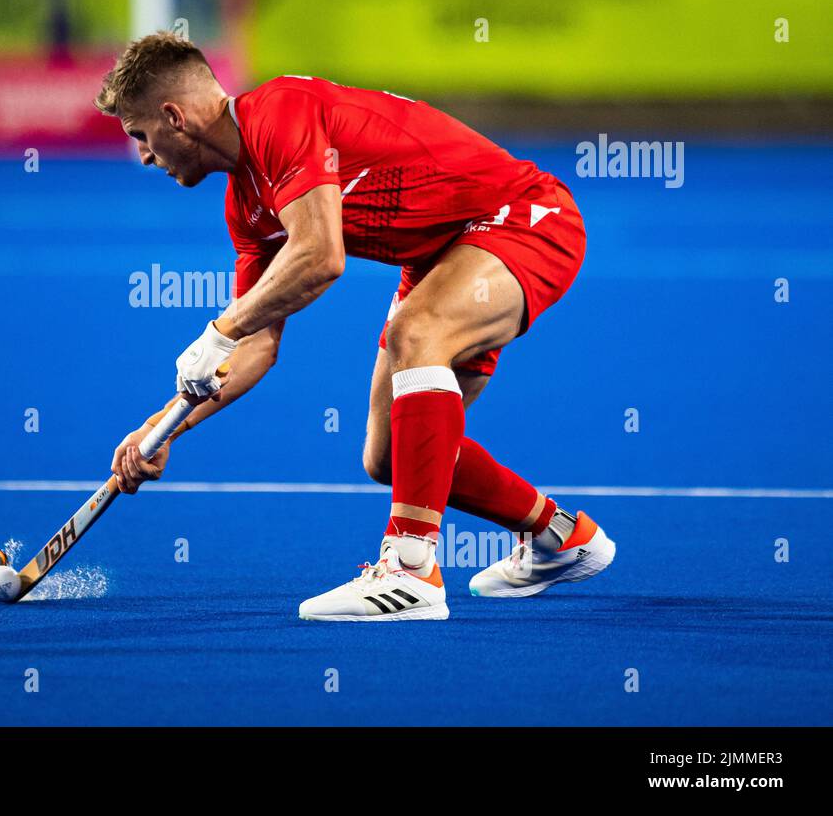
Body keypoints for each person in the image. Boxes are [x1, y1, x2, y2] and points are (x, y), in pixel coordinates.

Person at [96, 32, 615, 621]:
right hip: (443, 254)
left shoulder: (278, 113)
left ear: (174, 116)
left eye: (141, 135)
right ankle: (561, 535)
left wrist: (219, 328)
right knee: (392, 457)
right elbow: (257, 348)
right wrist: (160, 429)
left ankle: (410, 571)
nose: (143, 155)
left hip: (522, 218)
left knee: (417, 334)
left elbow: (320, 257)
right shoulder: (246, 208)